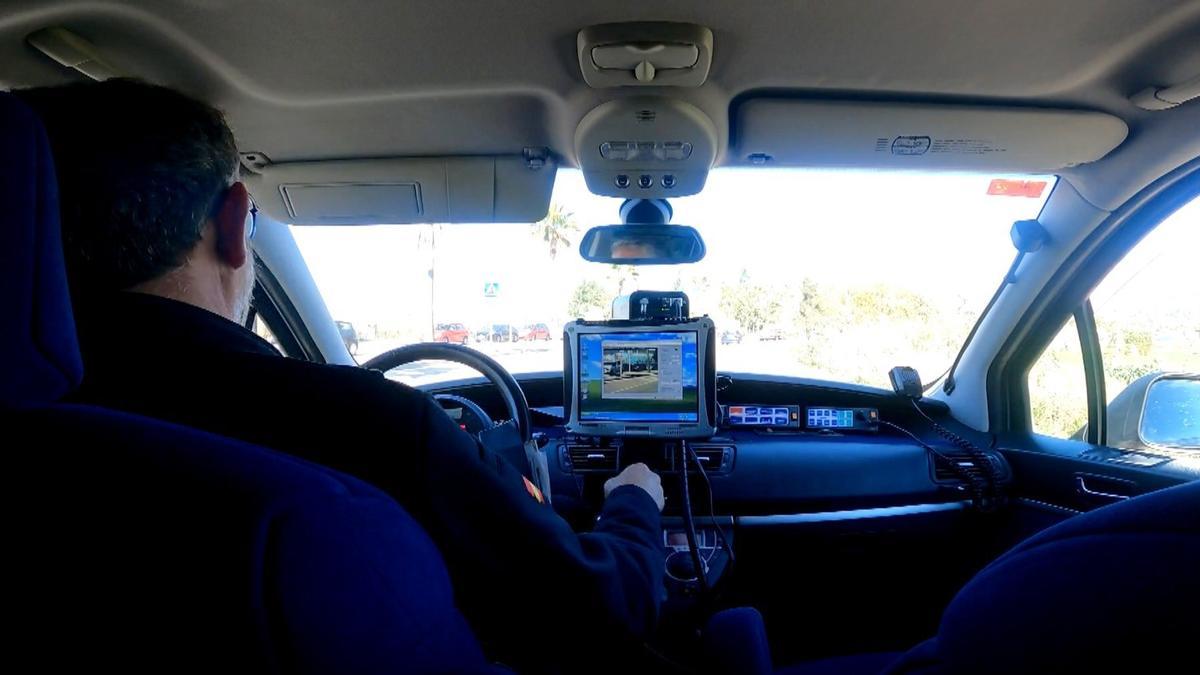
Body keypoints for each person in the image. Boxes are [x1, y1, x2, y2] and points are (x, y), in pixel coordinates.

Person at [18, 79, 665, 672]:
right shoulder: (375, 428)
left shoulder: (42, 418)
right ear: (234, 222)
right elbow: (598, 607)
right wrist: (635, 502)